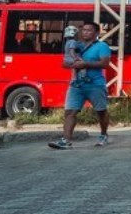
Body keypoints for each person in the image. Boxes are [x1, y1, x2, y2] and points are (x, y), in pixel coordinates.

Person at [48, 21, 112, 149]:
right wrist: (74, 64)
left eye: (89, 30)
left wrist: (85, 64)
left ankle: (103, 134)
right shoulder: (76, 46)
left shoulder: (102, 46)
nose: (85, 32)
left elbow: (105, 63)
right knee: (70, 111)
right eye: (83, 30)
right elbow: (64, 63)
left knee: (101, 111)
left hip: (95, 84)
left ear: (96, 33)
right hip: (76, 85)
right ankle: (66, 140)